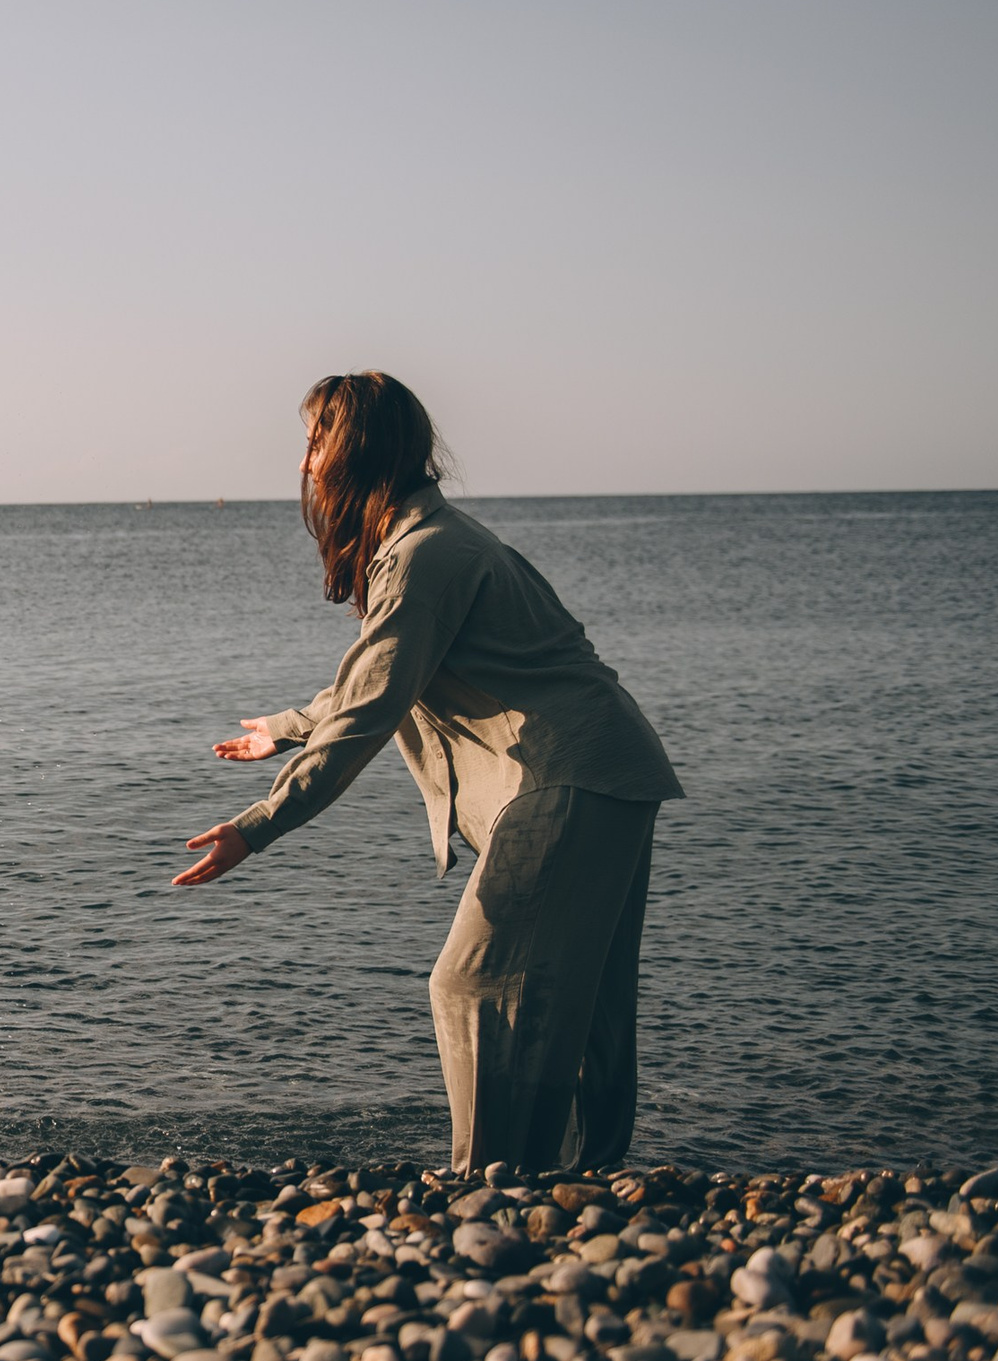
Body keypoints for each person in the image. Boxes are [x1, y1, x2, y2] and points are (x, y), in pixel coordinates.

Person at [174, 372, 680, 1173]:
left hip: (571, 779)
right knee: (583, 1002)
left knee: (470, 984)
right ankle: (588, 1177)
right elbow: (377, 681)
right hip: (608, 771)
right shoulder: (435, 543)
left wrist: (259, 824)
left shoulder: (424, 555)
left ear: (359, 450)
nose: (305, 464)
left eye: (317, 441)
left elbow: (369, 713)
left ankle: (488, 1179)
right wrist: (284, 728)